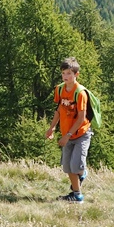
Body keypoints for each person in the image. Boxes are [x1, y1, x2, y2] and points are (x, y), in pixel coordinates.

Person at [44, 57, 93, 202]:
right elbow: (59, 109)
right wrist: (52, 128)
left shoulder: (80, 93)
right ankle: (76, 195)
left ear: (76, 75)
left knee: (75, 166)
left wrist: (68, 135)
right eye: (64, 73)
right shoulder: (59, 89)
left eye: (69, 74)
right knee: (67, 167)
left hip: (81, 134)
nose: (66, 76)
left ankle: (81, 173)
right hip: (67, 133)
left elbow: (81, 118)